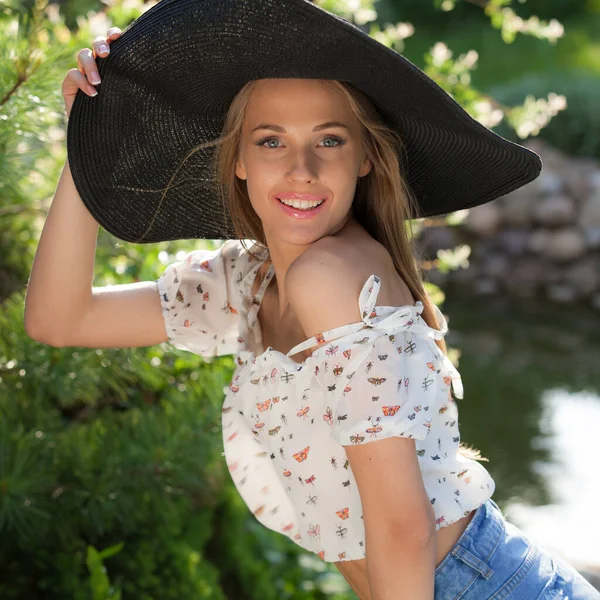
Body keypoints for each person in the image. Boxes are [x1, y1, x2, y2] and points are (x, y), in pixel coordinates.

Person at [24, 9, 600, 600]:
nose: (302, 170)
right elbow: (59, 319)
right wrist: (86, 138)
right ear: (239, 160)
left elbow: (403, 530)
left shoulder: (328, 279)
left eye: (330, 139)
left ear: (366, 157)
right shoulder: (250, 279)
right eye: (271, 140)